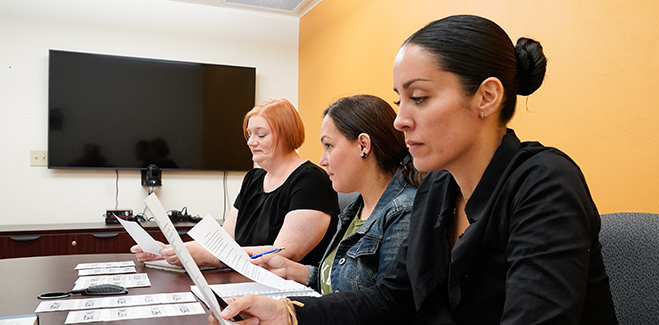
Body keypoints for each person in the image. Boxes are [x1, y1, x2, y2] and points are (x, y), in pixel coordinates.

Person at [214, 14, 618, 324]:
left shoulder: (544, 183)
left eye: (420, 97)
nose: (399, 120)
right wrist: (288, 314)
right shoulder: (438, 188)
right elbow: (393, 297)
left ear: (487, 97)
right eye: (399, 101)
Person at [132, 98, 339, 267]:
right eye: (249, 134)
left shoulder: (311, 181)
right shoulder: (253, 178)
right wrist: (169, 252)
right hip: (242, 279)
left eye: (261, 134)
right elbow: (223, 240)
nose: (250, 142)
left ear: (287, 134)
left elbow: (283, 254)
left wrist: (208, 256)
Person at [251, 94, 420, 295]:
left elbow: (386, 307)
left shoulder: (403, 212)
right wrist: (295, 271)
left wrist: (295, 314)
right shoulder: (355, 208)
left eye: (329, 146)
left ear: (363, 146)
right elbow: (337, 282)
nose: (322, 160)